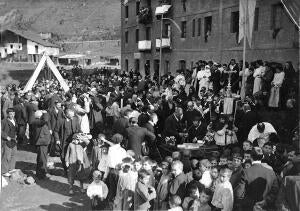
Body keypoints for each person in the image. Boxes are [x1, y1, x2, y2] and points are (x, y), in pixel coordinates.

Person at [54, 108, 80, 174]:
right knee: (63, 156)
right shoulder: (60, 121)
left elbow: (79, 130)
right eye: (71, 115)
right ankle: (66, 169)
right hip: (64, 141)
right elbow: (56, 131)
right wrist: (57, 139)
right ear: (67, 115)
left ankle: (73, 170)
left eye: (73, 115)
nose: (73, 117)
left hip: (73, 141)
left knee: (73, 155)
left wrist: (77, 137)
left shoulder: (75, 119)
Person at [31, 110, 52, 179]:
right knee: (42, 159)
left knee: (43, 158)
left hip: (43, 142)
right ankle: (41, 175)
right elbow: (45, 120)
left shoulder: (38, 121)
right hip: (41, 143)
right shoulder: (36, 121)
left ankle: (43, 173)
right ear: (40, 116)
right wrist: (45, 113)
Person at [1, 108, 18, 177]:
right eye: (10, 114)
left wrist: (15, 136)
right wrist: (6, 136)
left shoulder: (14, 120)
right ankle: (4, 171)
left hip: (13, 139)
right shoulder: (3, 121)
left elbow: (15, 129)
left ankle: (11, 168)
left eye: (13, 114)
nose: (12, 115)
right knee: (6, 155)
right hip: (7, 140)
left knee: (13, 154)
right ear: (7, 114)